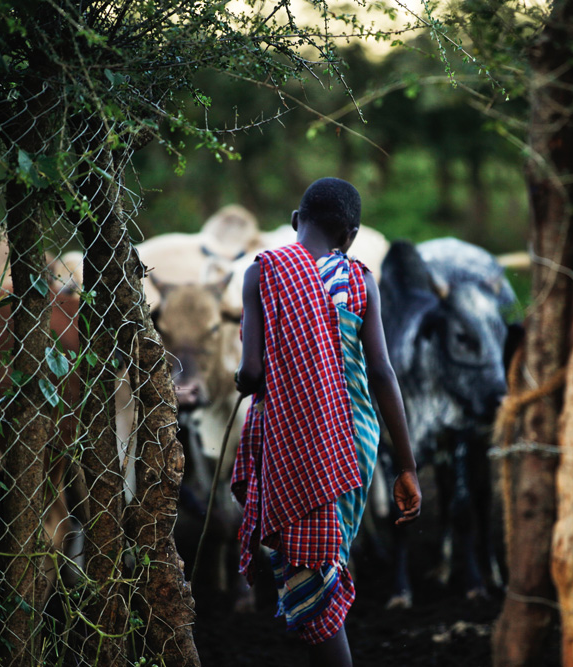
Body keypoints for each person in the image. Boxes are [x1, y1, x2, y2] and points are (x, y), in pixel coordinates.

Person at [231, 177, 422, 667]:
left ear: (297, 220)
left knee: (309, 577)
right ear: (351, 234)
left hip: (288, 440)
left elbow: (252, 374)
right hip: (353, 445)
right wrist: (407, 467)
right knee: (323, 565)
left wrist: (243, 379)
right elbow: (382, 372)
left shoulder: (265, 273)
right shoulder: (360, 280)